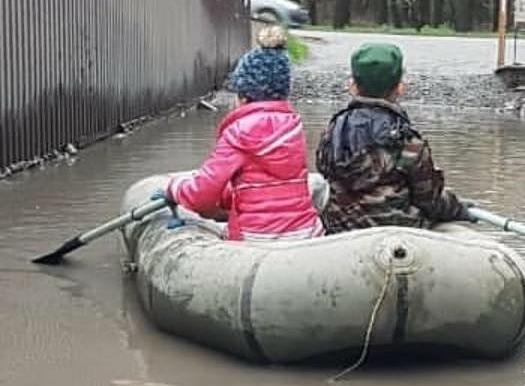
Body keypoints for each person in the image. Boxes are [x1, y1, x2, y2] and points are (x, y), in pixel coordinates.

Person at [158, 26, 323, 241]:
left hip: (256, 239)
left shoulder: (238, 134)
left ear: (243, 96)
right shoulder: (295, 128)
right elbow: (267, 188)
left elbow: (201, 195)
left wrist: (175, 189)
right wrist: (228, 198)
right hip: (306, 234)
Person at [316, 43, 467, 232]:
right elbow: (429, 201)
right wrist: (459, 209)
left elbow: (325, 174)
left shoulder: (332, 132)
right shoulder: (408, 141)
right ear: (400, 88)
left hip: (341, 230)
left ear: (352, 86)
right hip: (398, 234)